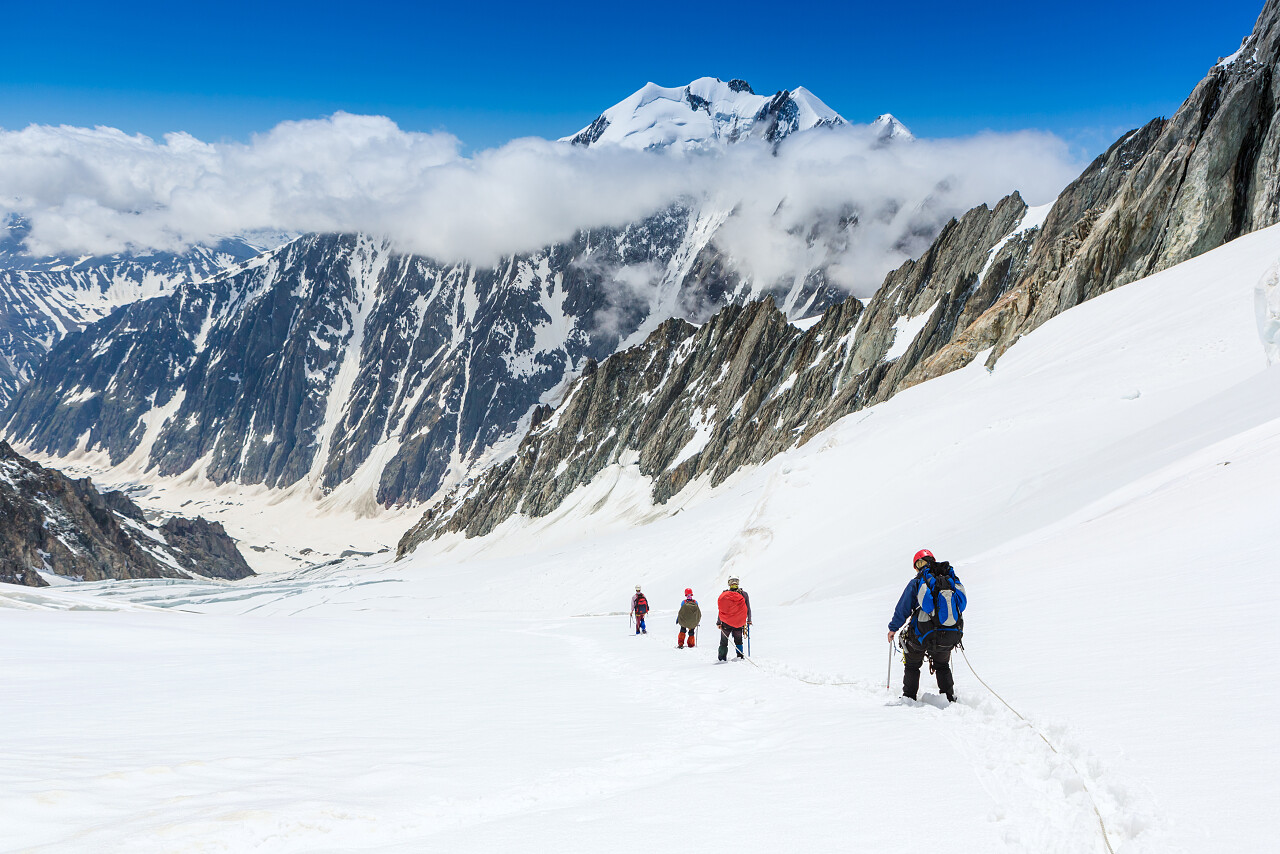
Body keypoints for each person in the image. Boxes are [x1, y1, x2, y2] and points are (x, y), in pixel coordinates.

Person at [887, 549, 966, 702]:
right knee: (942, 665)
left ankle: (909, 697)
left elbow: (903, 608)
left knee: (912, 665)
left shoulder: (918, 582)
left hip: (922, 634)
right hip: (949, 633)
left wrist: (893, 628)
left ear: (917, 566)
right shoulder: (949, 580)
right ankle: (948, 697)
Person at [716, 576, 752, 661]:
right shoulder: (744, 594)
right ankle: (740, 657)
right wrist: (749, 620)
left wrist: (719, 622)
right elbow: (748, 608)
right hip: (739, 623)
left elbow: (722, 610)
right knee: (738, 641)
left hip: (726, 623)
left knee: (723, 641)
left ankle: (722, 659)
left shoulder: (725, 595)